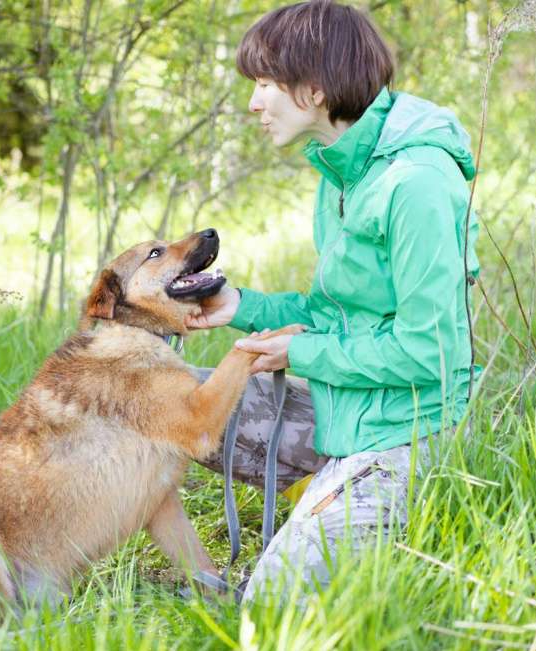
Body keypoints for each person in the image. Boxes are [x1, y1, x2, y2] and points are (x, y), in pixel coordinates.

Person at [188, 0, 481, 603]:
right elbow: (336, 315)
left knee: (272, 606)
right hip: (343, 408)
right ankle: (327, 490)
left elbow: (433, 352)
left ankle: (346, 500)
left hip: (409, 435)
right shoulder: (342, 173)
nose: (254, 102)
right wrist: (239, 305)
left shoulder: (416, 182)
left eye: (266, 83)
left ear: (315, 89)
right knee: (159, 400)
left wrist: (303, 352)